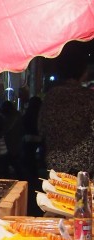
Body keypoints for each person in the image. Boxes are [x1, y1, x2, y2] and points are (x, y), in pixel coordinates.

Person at [40, 41, 94, 176]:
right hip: (83, 169)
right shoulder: (88, 97)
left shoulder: (50, 96)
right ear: (83, 71)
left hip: (55, 166)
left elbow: (41, 128)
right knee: (80, 198)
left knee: (55, 197)